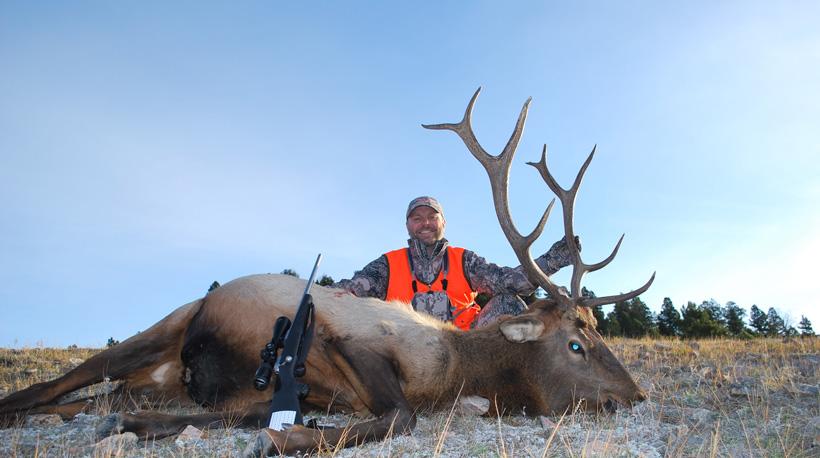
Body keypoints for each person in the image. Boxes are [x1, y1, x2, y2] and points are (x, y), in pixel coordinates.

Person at [333, 196, 577, 329]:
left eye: (432, 216)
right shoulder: (388, 263)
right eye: (417, 218)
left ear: (443, 223)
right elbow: (355, 288)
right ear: (408, 226)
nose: (425, 223)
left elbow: (510, 282)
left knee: (508, 302)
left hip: (467, 347)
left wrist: (553, 259)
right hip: (409, 349)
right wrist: (321, 294)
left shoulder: (464, 260)